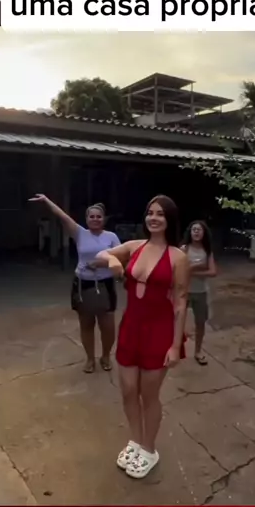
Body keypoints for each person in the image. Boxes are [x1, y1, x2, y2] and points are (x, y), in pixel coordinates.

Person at [94, 195, 189, 479]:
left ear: (169, 220)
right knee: (127, 391)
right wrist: (113, 261)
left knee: (149, 395)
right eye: (150, 212)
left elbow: (181, 302)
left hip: (159, 331)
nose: (154, 218)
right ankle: (135, 441)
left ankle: (149, 449)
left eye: (160, 214)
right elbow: (99, 256)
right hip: (131, 327)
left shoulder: (178, 257)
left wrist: (175, 345)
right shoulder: (135, 246)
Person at [29, 195, 120, 373]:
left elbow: (121, 258)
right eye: (92, 216)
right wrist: (46, 200)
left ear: (104, 219)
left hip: (105, 285)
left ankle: (106, 356)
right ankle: (90, 358)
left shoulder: (111, 237)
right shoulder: (80, 233)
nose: (95, 219)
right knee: (86, 324)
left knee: (107, 326)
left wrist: (100, 263)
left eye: (99, 216)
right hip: (82, 285)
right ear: (86, 219)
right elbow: (62, 216)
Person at [181, 220, 217, 365]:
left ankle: (198, 351)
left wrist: (192, 270)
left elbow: (213, 271)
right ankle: (174, 349)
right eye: (194, 229)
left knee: (200, 322)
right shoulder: (184, 249)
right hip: (184, 291)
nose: (196, 232)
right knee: (177, 321)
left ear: (204, 233)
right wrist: (198, 267)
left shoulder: (207, 251)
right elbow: (178, 270)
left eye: (199, 229)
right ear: (190, 232)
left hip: (201, 292)